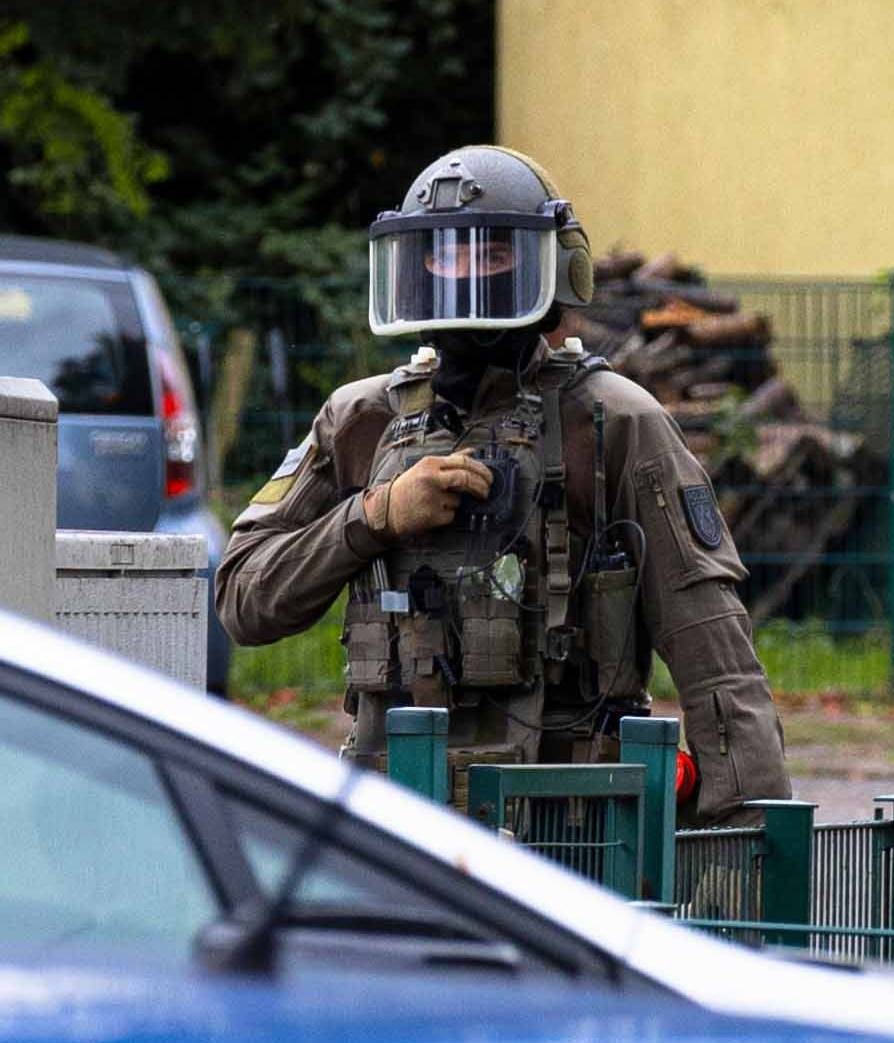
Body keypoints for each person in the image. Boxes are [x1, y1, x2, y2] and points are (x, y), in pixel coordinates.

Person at [214, 145, 790, 825]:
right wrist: (375, 516)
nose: (464, 278)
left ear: (549, 267)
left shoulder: (614, 422)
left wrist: (751, 851)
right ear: (411, 268)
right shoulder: (359, 419)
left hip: (571, 839)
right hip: (400, 829)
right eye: (442, 255)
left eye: (489, 255)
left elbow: (716, 661)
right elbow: (242, 599)